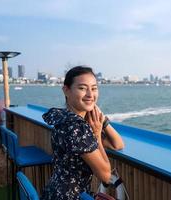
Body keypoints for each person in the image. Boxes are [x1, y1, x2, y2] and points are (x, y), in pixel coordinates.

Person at [41, 66, 124, 200]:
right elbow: (106, 176)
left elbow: (117, 144)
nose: (90, 95)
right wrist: (97, 134)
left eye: (94, 88)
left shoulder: (64, 117)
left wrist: (102, 120)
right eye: (82, 88)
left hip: (55, 190)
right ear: (66, 90)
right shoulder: (77, 128)